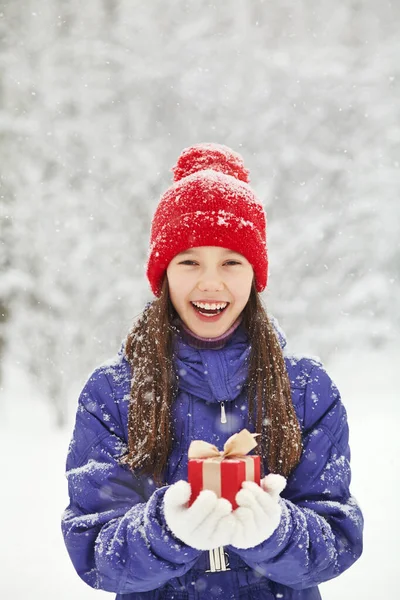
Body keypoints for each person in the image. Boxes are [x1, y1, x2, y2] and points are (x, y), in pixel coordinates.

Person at [61, 143, 364, 600]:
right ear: (163, 274)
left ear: (254, 275)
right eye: (189, 261)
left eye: (230, 262)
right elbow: (95, 553)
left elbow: (338, 539)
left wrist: (277, 531)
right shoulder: (112, 393)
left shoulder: (307, 390)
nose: (210, 282)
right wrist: (166, 529)